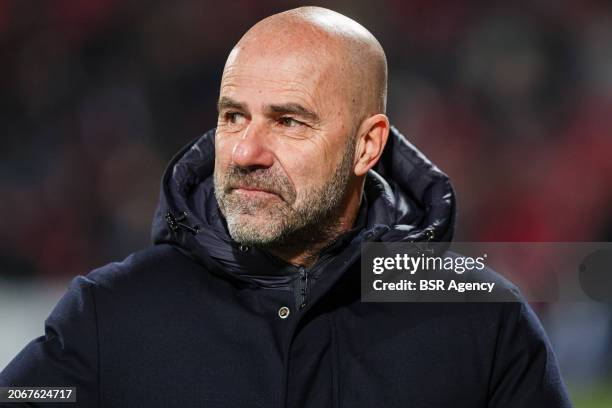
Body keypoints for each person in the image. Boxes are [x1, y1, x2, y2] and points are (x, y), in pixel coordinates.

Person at [0, 6, 571, 408]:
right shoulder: (112, 312)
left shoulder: (480, 318)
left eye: (289, 121)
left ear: (366, 145)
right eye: (232, 116)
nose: (246, 151)